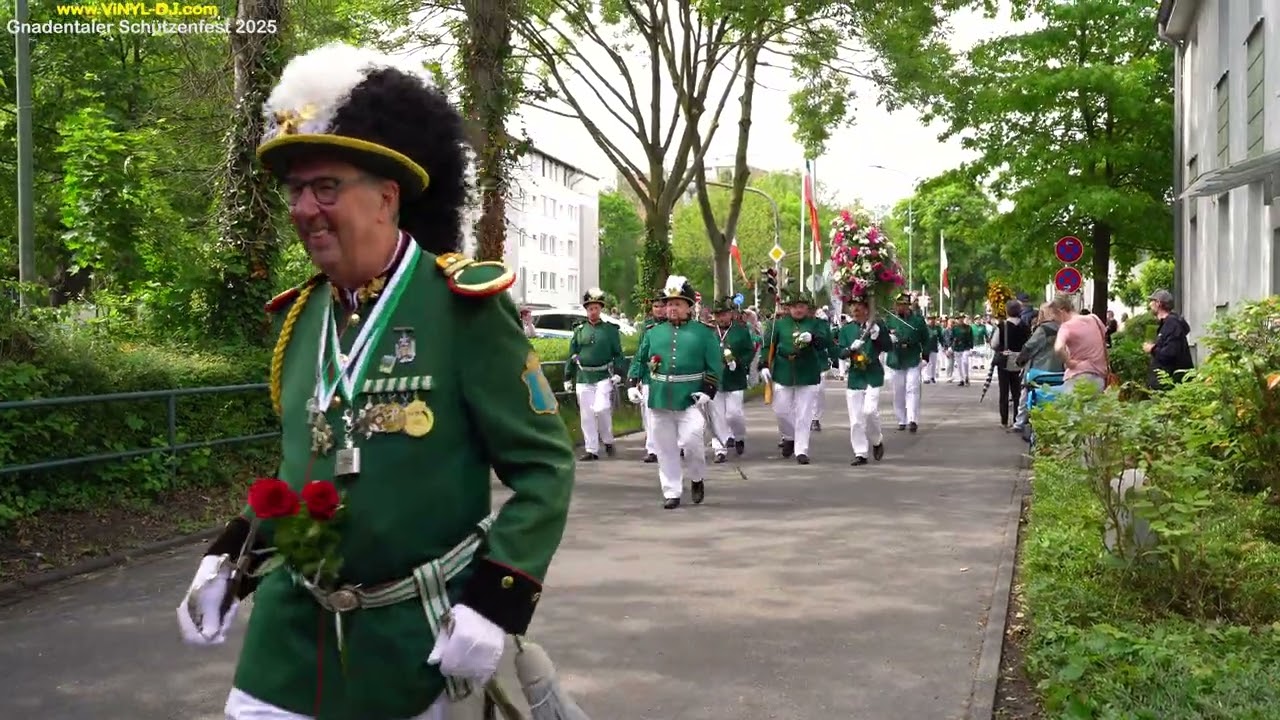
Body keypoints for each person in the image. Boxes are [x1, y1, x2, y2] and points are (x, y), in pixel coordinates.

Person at [175, 43, 575, 720]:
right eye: (296, 190)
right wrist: (231, 559)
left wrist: (493, 599)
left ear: (387, 197)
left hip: (409, 642)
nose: (305, 208)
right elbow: (307, 466)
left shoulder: (462, 309)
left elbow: (543, 467)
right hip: (288, 638)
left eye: (326, 186)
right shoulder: (300, 319)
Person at [627, 276, 722, 509]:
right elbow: (640, 359)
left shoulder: (703, 333)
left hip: (690, 398)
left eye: (677, 304)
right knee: (665, 447)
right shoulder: (653, 333)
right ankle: (672, 491)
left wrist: (708, 390)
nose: (671, 308)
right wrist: (632, 382)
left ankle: (697, 477)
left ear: (689, 306)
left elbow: (714, 365)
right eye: (669, 303)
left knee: (692, 443)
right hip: (660, 397)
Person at [759, 287, 830, 464]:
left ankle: (801, 450)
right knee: (780, 410)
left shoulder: (816, 323)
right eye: (794, 306)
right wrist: (764, 364)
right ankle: (789, 436)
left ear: (807, 308)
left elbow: (825, 343)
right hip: (784, 369)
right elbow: (768, 345)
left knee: (804, 413)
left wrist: (813, 338)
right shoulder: (778, 324)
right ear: (788, 308)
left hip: (807, 370)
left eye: (802, 306)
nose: (798, 310)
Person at [565, 287, 625, 461]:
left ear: (601, 309)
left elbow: (618, 354)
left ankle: (607, 440)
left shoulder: (610, 330)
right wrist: (568, 376)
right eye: (590, 308)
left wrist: (619, 373)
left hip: (603, 376)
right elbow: (572, 354)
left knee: (602, 408)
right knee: (587, 414)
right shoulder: (579, 330)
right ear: (586, 310)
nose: (593, 311)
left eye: (596, 308)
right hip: (583, 377)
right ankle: (591, 449)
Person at [836, 295, 889, 465]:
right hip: (855, 376)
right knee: (856, 419)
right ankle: (860, 452)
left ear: (867, 308)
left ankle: (876, 440)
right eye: (852, 307)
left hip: (873, 373)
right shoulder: (846, 329)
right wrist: (850, 349)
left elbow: (889, 346)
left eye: (858, 306)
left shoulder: (878, 326)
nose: (855, 311)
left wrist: (877, 337)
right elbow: (840, 353)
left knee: (869, 411)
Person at [709, 297, 756, 461]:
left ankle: (739, 436)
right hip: (714, 379)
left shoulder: (740, 331)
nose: (721, 318)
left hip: (735, 378)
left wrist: (740, 363)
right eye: (718, 315)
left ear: (731, 314)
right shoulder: (710, 332)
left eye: (724, 314)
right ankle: (719, 449)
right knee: (717, 415)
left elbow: (749, 351)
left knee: (734, 414)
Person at [1011, 303, 1064, 432]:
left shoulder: (1044, 329)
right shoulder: (1063, 328)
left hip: (1039, 370)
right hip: (1059, 369)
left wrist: (1019, 361)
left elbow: (1030, 347)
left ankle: (1020, 423)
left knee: (1027, 394)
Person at [883, 292, 929, 432]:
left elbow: (926, 338)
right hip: (896, 358)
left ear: (908, 306)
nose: (899, 308)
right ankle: (901, 419)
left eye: (902, 305)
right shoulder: (890, 319)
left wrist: (925, 355)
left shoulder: (918, 320)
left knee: (912, 388)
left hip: (912, 357)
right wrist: (888, 339)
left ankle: (912, 419)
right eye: (897, 305)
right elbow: (883, 336)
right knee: (899, 390)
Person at [1052, 294, 1109, 393]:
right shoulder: (1094, 319)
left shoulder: (1066, 327)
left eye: (1054, 315)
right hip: (1099, 377)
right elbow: (1104, 343)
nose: (1054, 319)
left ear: (1061, 311)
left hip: (1077, 378)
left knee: (1074, 408)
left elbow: (1058, 348)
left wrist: (1069, 362)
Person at [636, 293, 668, 463]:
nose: (659, 310)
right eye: (656, 306)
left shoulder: (675, 325)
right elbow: (640, 354)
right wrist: (634, 379)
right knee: (650, 414)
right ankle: (652, 449)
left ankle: (678, 445)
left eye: (662, 306)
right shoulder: (648, 328)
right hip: (651, 376)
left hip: (672, 376)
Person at [990, 300, 1031, 428]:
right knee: (1017, 392)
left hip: (1005, 362)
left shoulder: (1002, 326)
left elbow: (994, 344)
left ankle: (1004, 420)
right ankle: (1016, 419)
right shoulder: (1025, 326)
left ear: (1007, 311)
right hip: (1020, 362)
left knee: (1004, 392)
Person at [1143, 289, 1194, 389]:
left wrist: (1152, 349)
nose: (1150, 304)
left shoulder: (1172, 324)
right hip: (1167, 384)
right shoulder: (1167, 324)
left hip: (1171, 385)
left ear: (1158, 303)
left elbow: (1170, 353)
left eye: (1152, 301)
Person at [949, 315, 974, 385]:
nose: (961, 320)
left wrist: (971, 346)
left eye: (962, 318)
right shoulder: (955, 328)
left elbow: (971, 337)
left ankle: (966, 376)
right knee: (959, 364)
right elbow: (951, 337)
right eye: (959, 318)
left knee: (965, 361)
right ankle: (961, 379)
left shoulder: (968, 328)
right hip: (957, 347)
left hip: (966, 347)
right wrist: (951, 346)